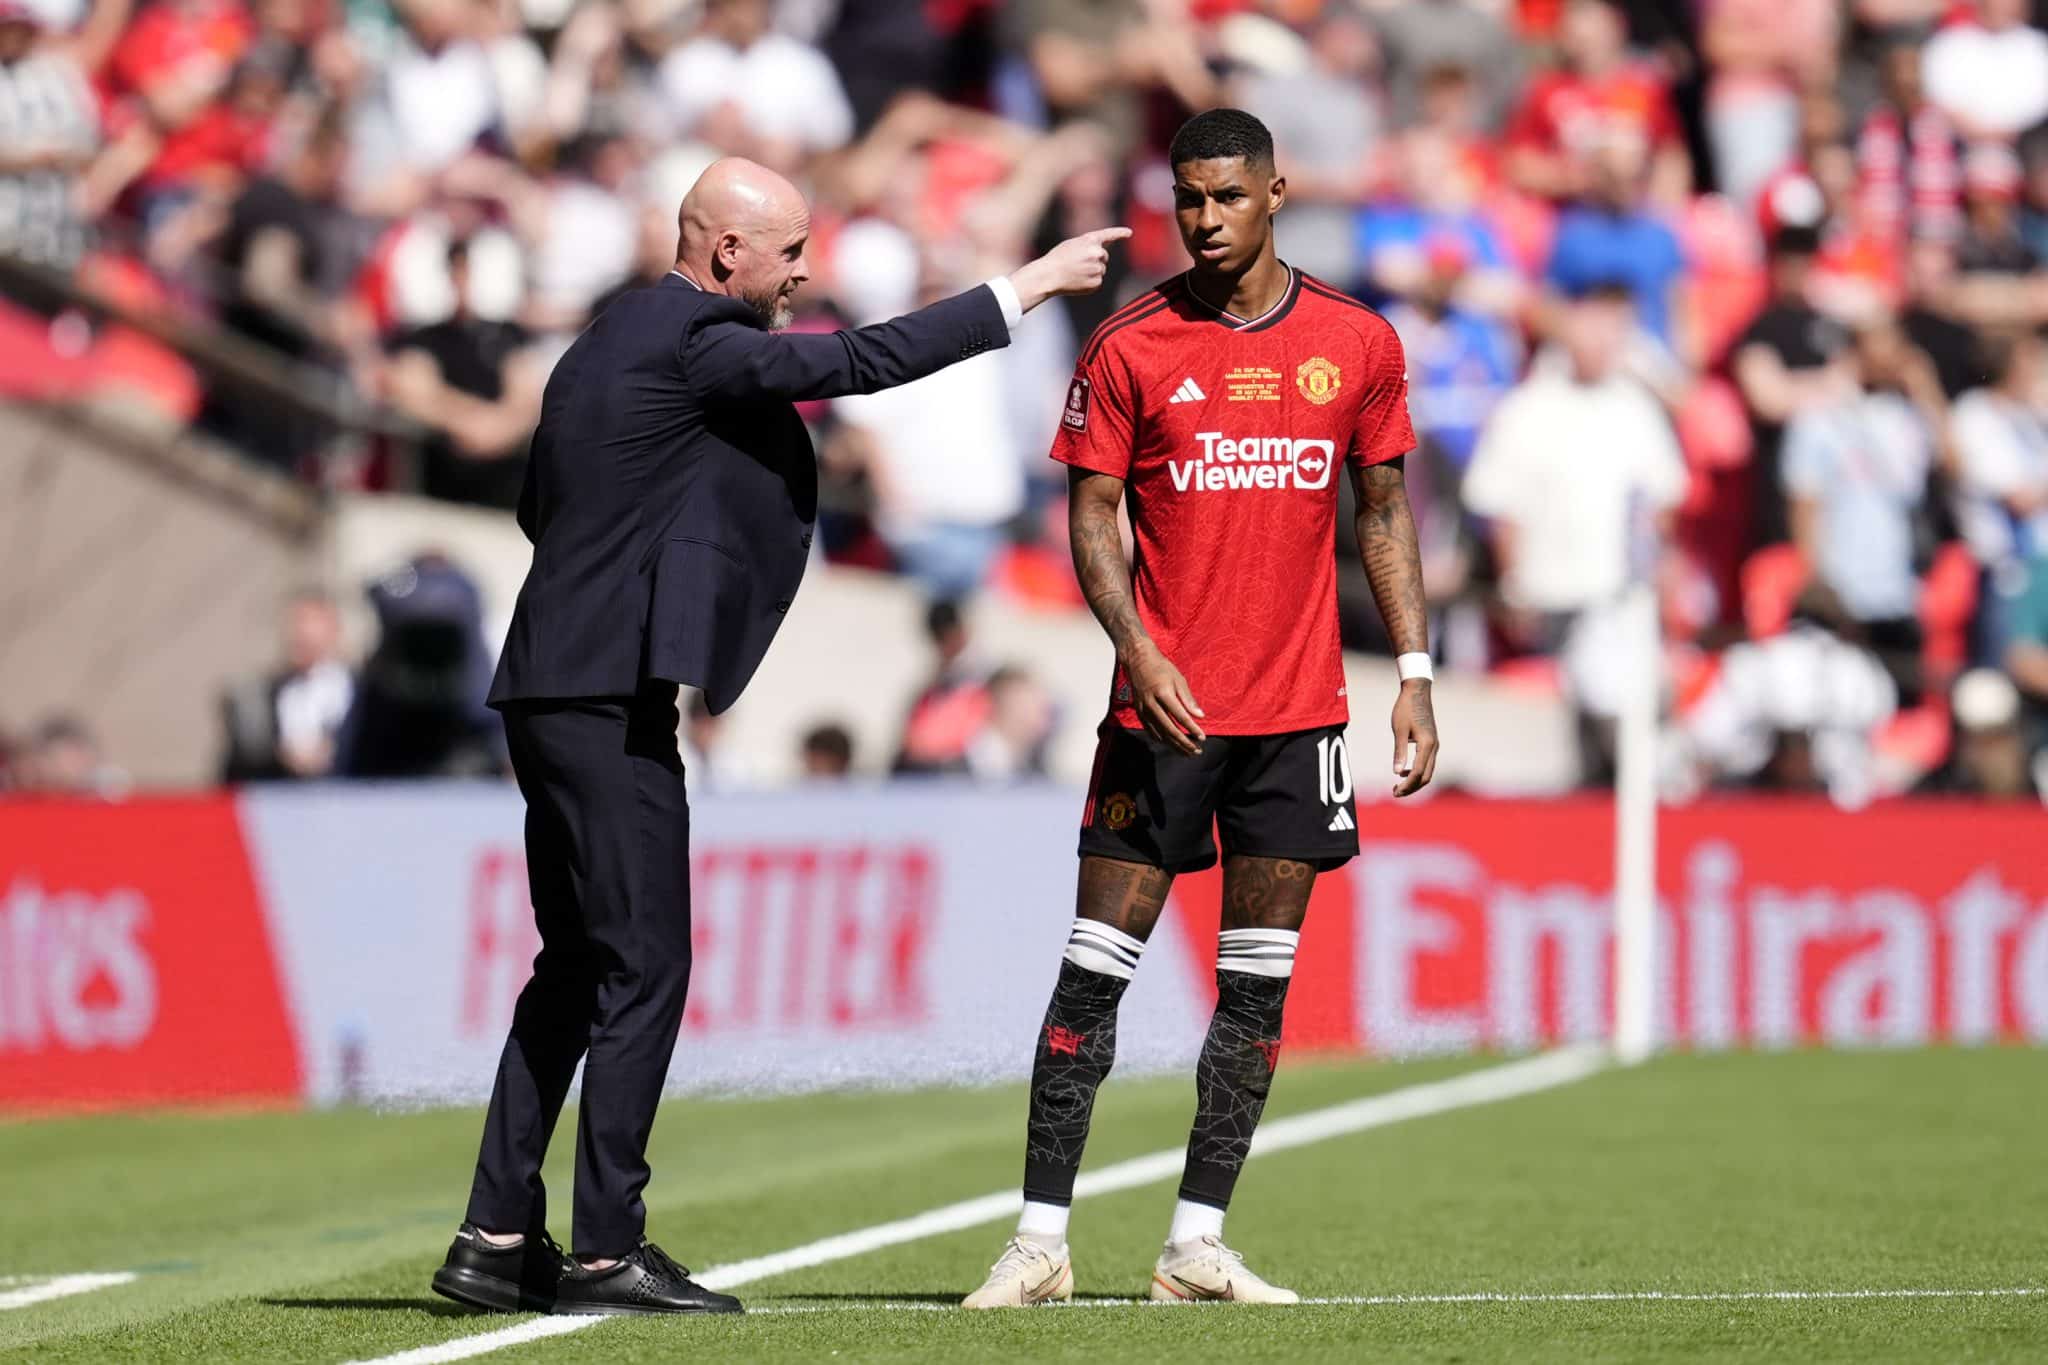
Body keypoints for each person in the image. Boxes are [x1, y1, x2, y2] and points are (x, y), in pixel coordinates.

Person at [436, 155, 1123, 1318]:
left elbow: (542, 507)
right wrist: (1025, 289)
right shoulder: (696, 342)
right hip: (604, 699)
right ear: (723, 255)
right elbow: (855, 364)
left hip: (551, 686)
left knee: (575, 966)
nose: (807, 271)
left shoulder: (598, 344)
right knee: (644, 964)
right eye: (791, 250)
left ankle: (497, 1235)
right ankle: (604, 1248)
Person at [962, 110, 1438, 1310]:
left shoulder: (1356, 342)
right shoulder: (1127, 346)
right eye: (1187, 199)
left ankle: (1194, 1245)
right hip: (1158, 719)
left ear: (1274, 192)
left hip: (1296, 720)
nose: (1205, 218)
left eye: (1227, 197)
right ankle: (1035, 1242)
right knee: (1090, 977)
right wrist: (1138, 649)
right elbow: (1089, 520)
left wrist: (1415, 675)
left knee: (1255, 989)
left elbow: (1380, 514)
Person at [219, 589, 355, 781]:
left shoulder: (362, 691)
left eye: (307, 620)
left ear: (334, 628)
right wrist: (281, 757)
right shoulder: (258, 696)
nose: (298, 632)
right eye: (294, 622)